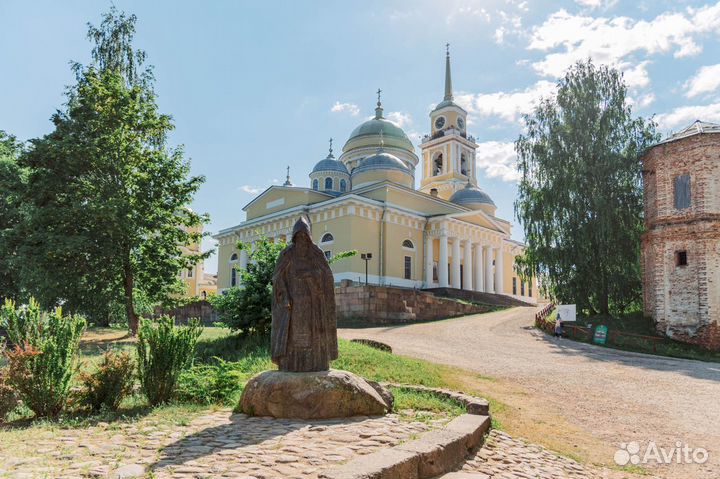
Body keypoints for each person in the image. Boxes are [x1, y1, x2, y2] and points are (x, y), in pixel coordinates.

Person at [270, 217, 339, 372]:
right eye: (298, 236)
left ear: (308, 236)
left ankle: (315, 363)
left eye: (304, 236)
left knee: (310, 336)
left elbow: (326, 276)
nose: (301, 239)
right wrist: (285, 297)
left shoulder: (316, 254)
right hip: (292, 306)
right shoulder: (287, 254)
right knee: (294, 337)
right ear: (294, 237)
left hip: (312, 305)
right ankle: (290, 364)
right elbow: (277, 277)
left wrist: (311, 274)